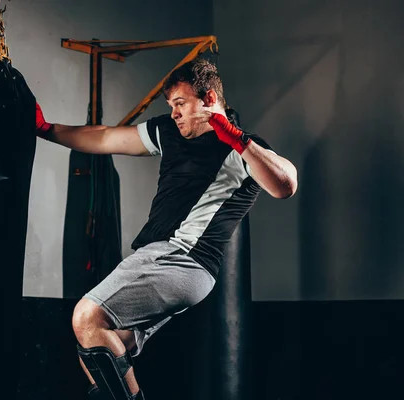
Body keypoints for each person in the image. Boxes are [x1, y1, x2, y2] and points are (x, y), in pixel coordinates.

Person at [34, 58, 298, 400]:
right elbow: (106, 137)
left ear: (209, 98)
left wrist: (239, 140)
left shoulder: (243, 150)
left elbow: (286, 184)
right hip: (158, 260)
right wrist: (47, 130)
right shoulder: (169, 132)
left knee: (87, 317)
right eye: (171, 105)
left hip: (181, 258)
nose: (174, 113)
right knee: (101, 350)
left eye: (181, 104)